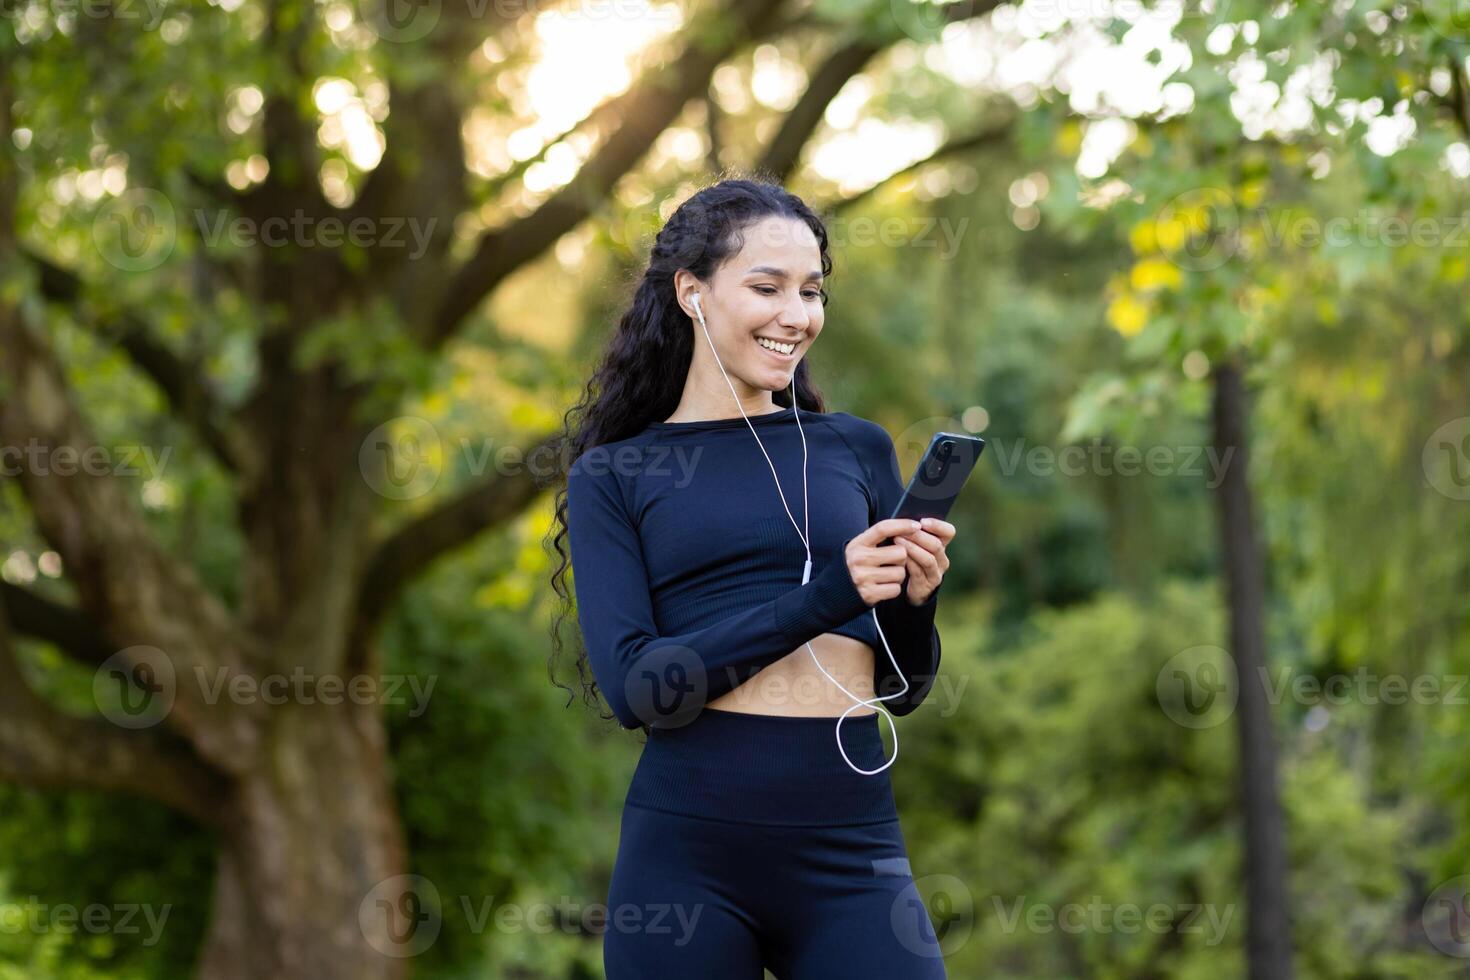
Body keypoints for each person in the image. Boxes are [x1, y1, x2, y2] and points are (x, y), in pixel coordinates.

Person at [547, 176, 955, 977]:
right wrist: (827, 598)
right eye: (766, 287)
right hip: (688, 856)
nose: (795, 315)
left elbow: (903, 687)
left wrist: (914, 596)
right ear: (692, 293)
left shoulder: (854, 448)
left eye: (811, 291)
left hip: (851, 842)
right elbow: (639, 691)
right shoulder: (616, 475)